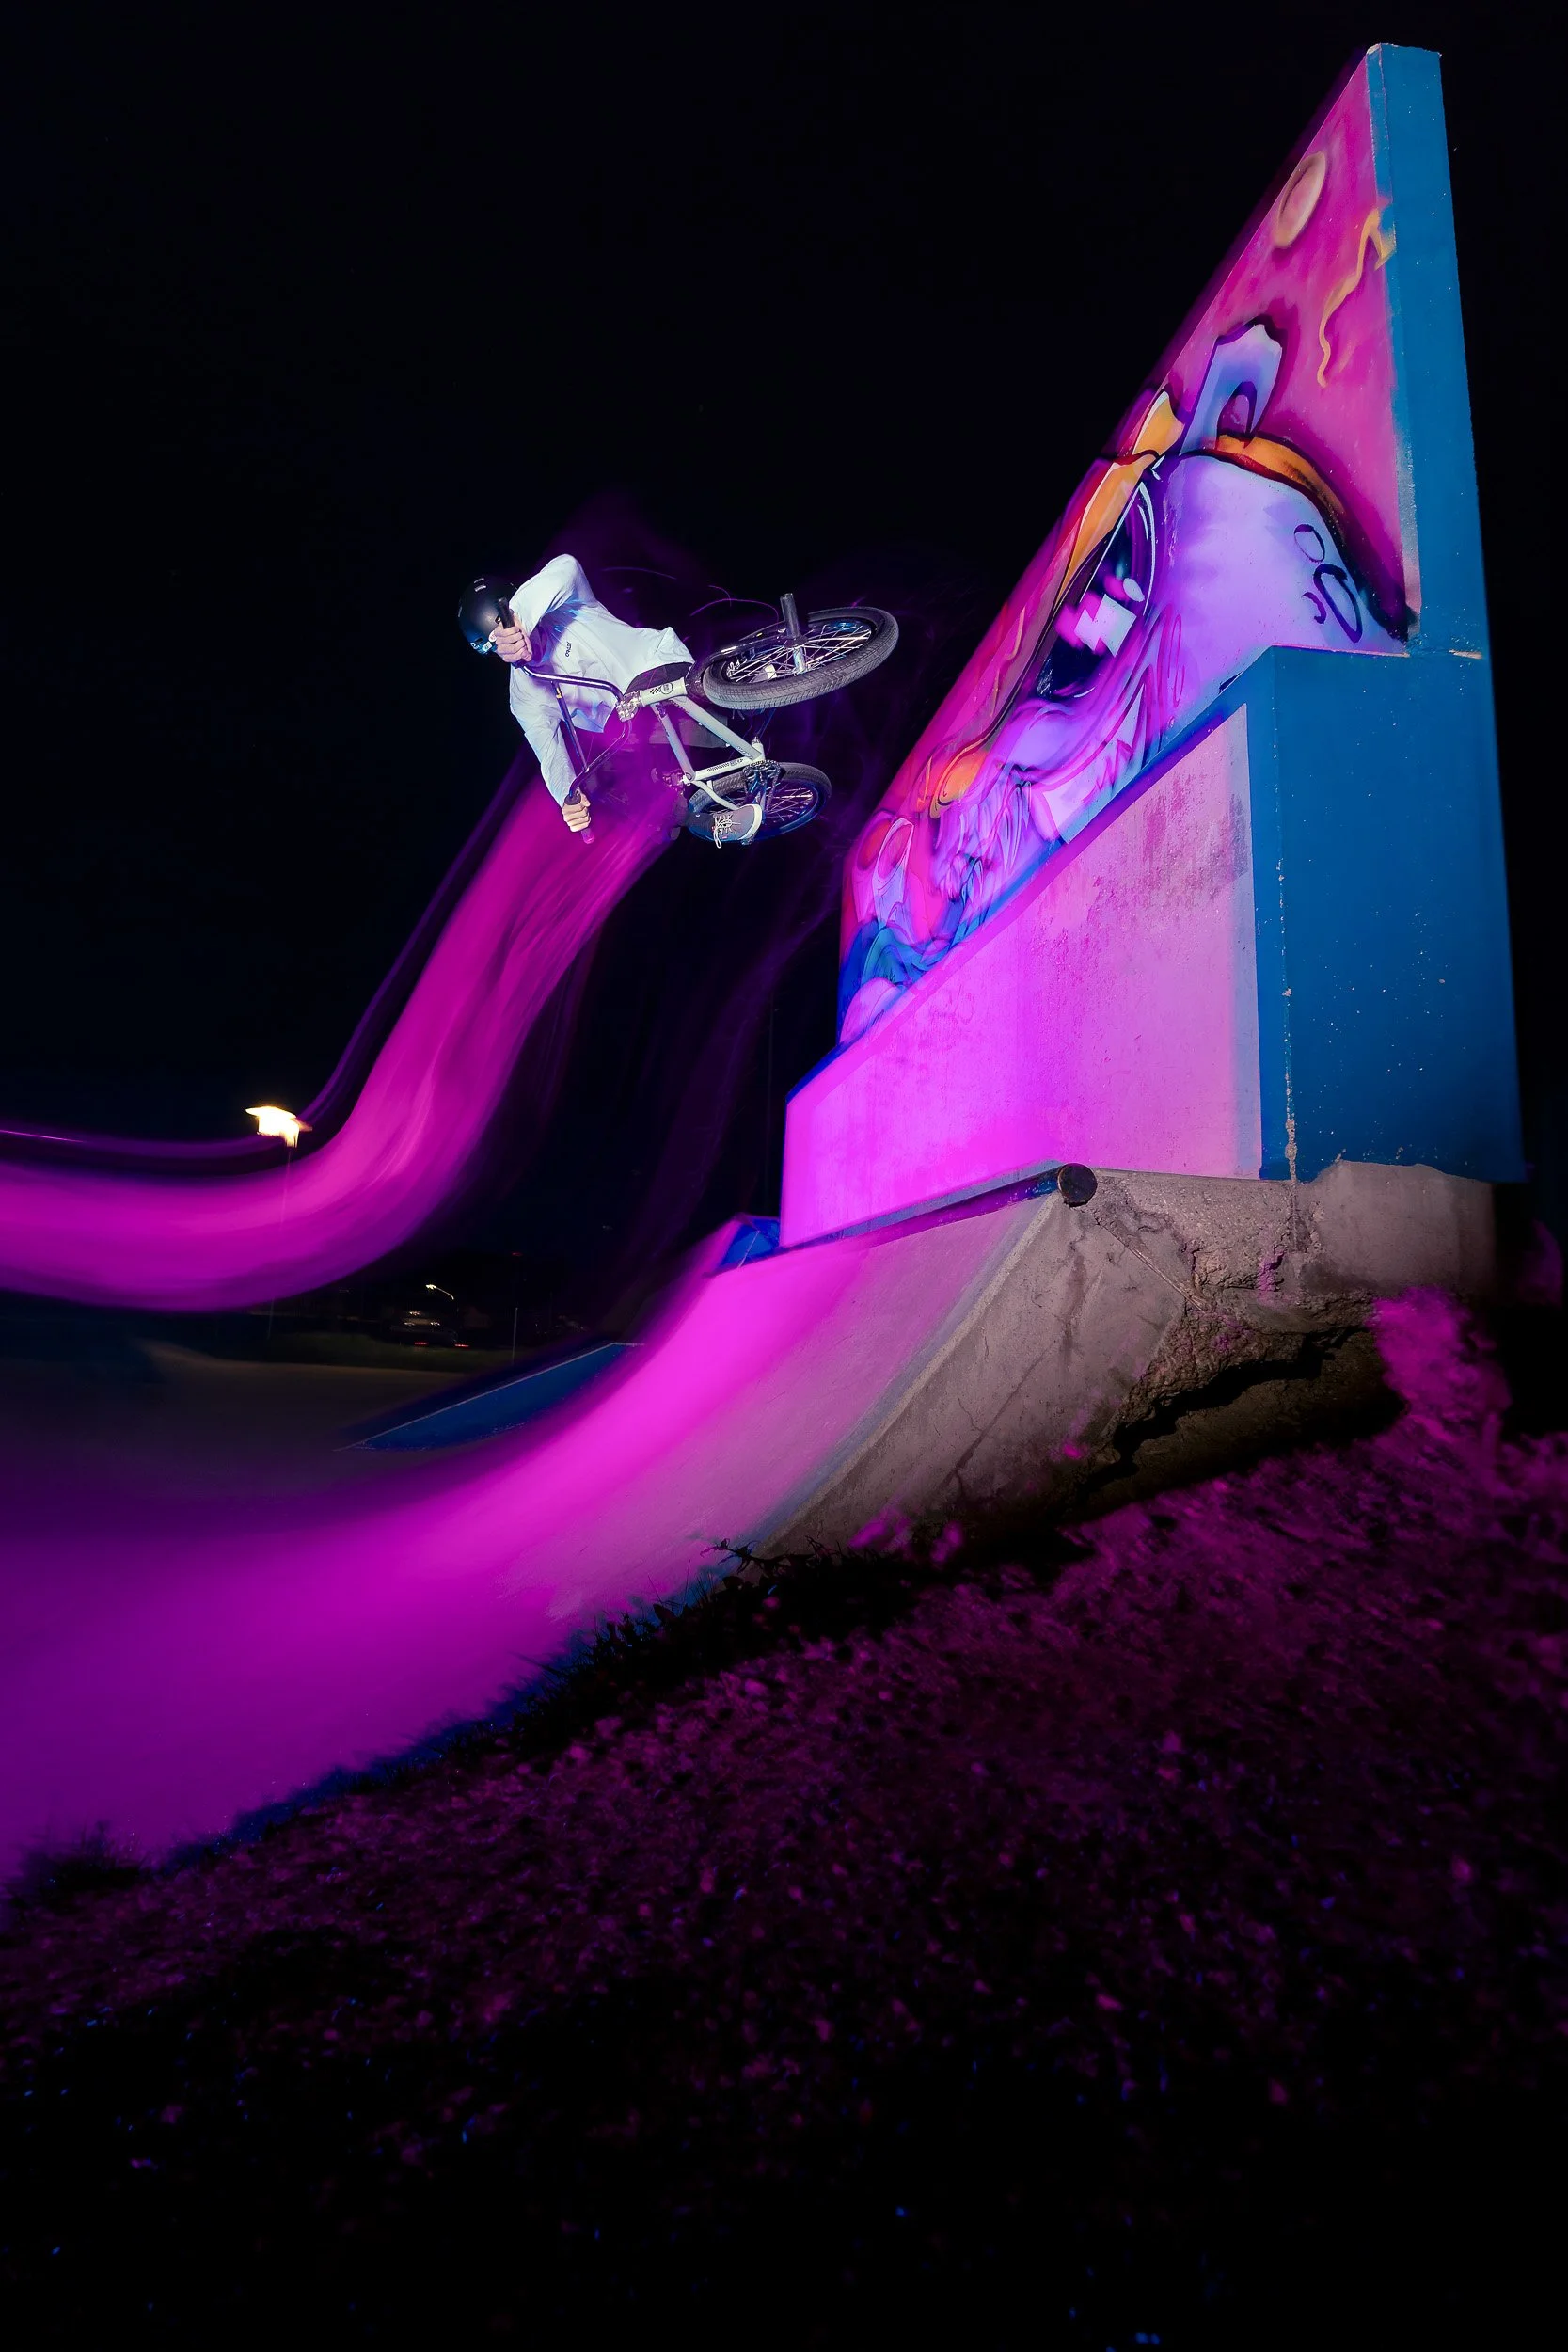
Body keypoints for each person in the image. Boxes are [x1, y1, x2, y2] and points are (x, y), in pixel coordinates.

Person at [480, 554, 695, 834]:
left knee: (649, 718)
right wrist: (567, 797)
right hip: (631, 726)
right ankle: (702, 821)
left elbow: (566, 567)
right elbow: (550, 754)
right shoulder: (523, 696)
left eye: (516, 631)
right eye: (504, 646)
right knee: (599, 783)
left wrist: (520, 615)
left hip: (659, 667)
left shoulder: (568, 605)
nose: (525, 644)